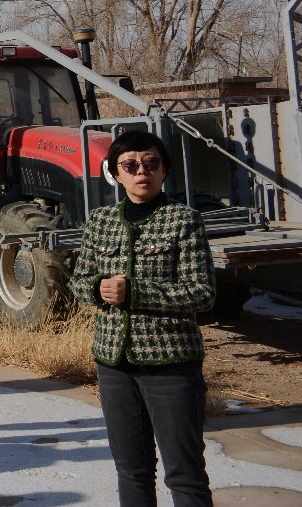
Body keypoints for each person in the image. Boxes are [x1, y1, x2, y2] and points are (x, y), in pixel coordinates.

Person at [71, 130, 216, 506]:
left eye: (151, 163)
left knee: (185, 475)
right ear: (116, 173)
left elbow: (201, 292)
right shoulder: (100, 221)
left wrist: (135, 292)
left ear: (164, 169)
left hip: (171, 366)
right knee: (131, 470)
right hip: (114, 366)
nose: (142, 172)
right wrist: (98, 287)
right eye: (130, 165)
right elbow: (79, 281)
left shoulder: (183, 220)